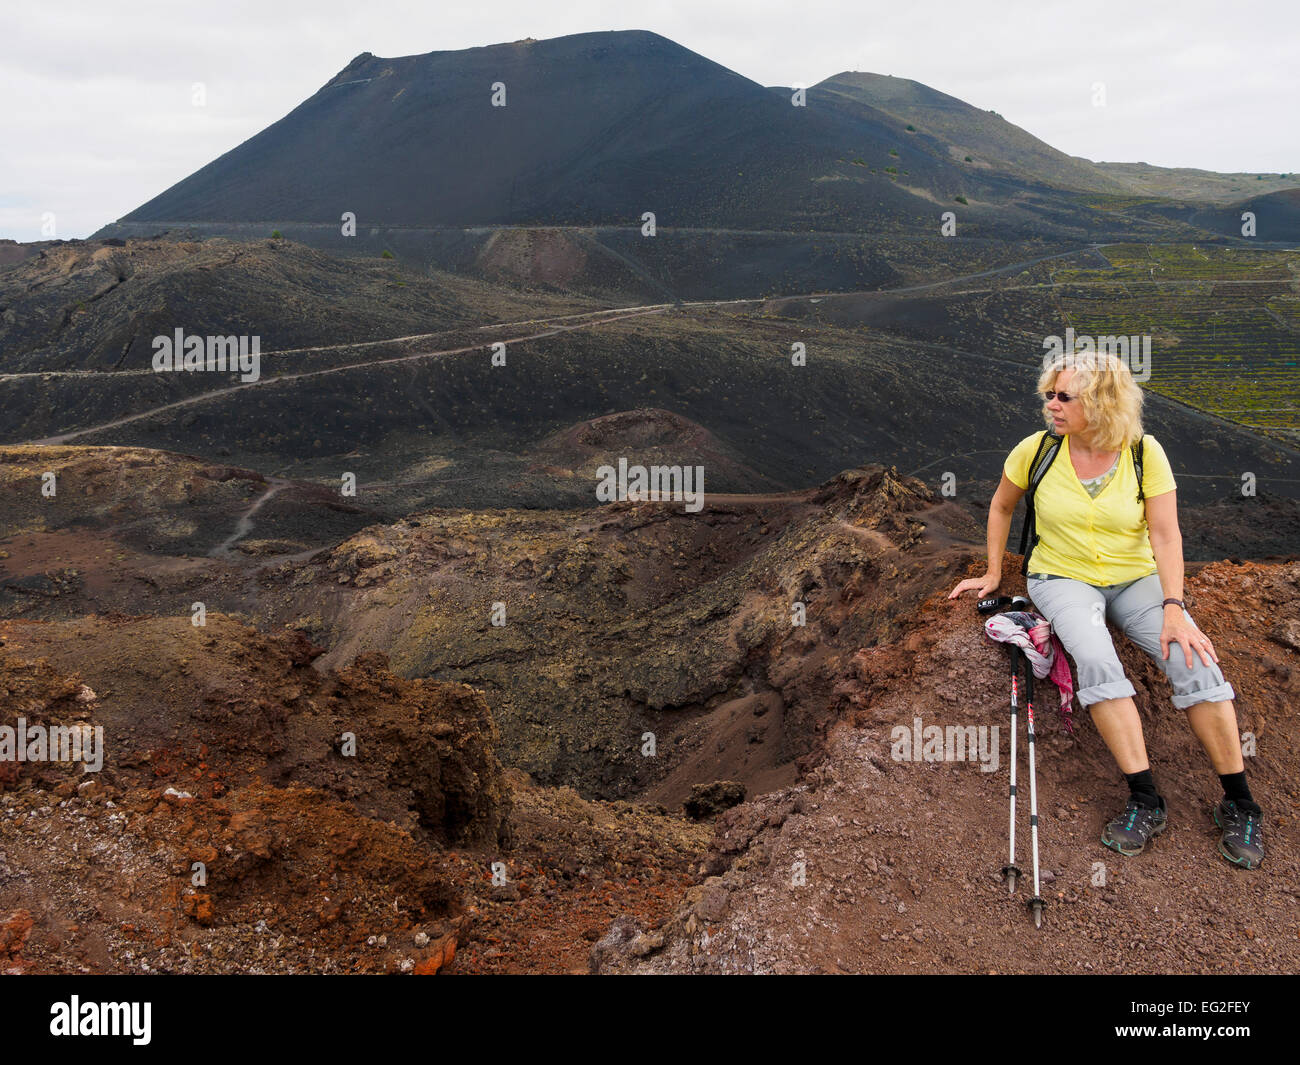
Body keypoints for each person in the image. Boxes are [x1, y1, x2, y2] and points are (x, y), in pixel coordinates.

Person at [948, 351, 1263, 869]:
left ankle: (1241, 803)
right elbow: (1002, 505)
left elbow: (1165, 533)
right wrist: (992, 572)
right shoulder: (1038, 450)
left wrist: (1174, 607)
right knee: (1095, 658)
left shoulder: (1143, 453)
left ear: (1102, 402)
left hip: (1136, 578)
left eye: (1064, 396)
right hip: (1062, 576)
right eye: (1049, 393)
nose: (1051, 404)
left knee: (1195, 662)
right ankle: (1145, 799)